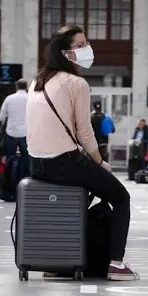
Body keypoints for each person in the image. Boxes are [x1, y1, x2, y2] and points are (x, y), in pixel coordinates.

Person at [25, 24, 137, 281]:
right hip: (64, 163)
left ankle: (59, 260)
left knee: (80, 197)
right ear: (66, 53)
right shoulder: (76, 83)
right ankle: (116, 264)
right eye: (81, 45)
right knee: (120, 197)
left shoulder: (37, 81)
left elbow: (48, 128)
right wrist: (99, 162)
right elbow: (85, 133)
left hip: (36, 163)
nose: (87, 49)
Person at [0, 78, 29, 180]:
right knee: (26, 158)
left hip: (11, 133)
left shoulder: (9, 98)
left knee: (10, 158)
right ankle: (24, 179)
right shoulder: (30, 98)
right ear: (27, 87)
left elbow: (1, 118)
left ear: (16, 86)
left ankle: (8, 180)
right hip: (26, 133)